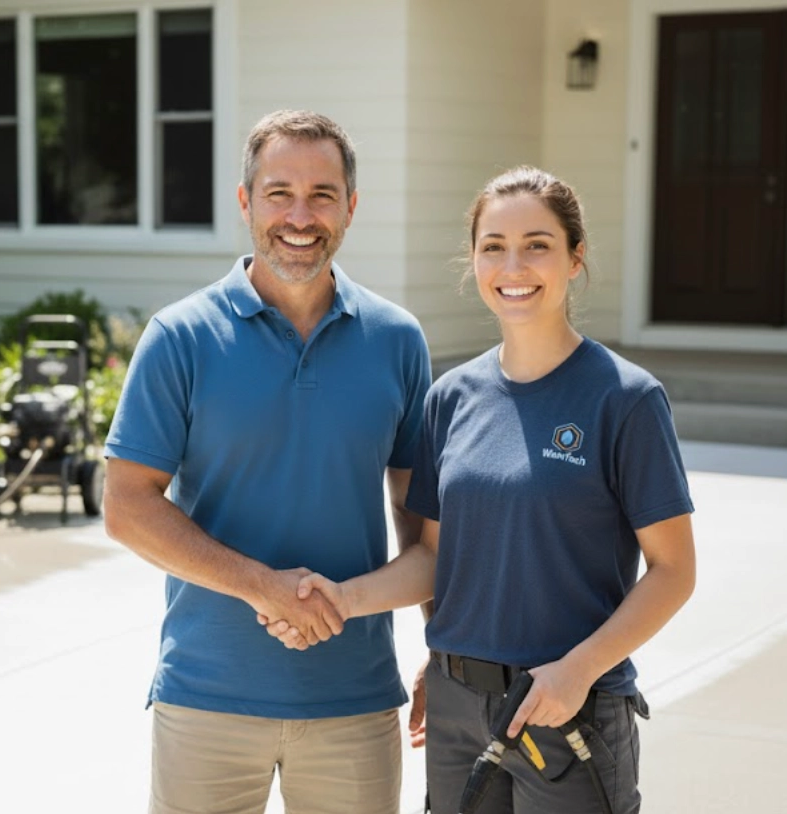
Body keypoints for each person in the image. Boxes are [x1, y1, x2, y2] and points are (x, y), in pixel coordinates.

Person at [266, 166, 696, 813]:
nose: (512, 264)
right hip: (456, 710)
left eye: (537, 244)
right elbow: (436, 560)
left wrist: (577, 670)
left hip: (568, 711)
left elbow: (674, 571)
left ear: (575, 258)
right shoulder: (451, 398)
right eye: (493, 245)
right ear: (473, 261)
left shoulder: (626, 400)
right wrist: (341, 598)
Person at [102, 109, 431, 814]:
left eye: (322, 194)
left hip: (355, 698)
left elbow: (422, 529)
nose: (301, 215)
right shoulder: (179, 337)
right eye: (279, 192)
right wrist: (262, 587)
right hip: (207, 697)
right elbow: (127, 505)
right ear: (246, 201)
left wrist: (445, 644)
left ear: (351, 205)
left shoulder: (398, 341)